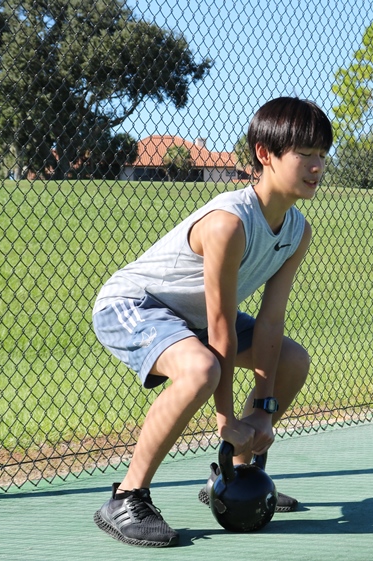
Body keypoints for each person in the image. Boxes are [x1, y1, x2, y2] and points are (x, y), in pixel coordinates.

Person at [91, 97, 333, 547]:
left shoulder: (298, 231)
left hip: (195, 318)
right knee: (203, 368)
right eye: (305, 153)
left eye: (322, 154)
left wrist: (263, 411)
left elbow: (270, 321)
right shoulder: (229, 222)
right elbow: (220, 327)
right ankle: (127, 496)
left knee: (293, 361)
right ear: (265, 153)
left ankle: (234, 475)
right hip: (134, 305)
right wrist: (225, 418)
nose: (317, 165)